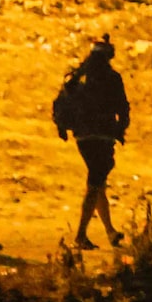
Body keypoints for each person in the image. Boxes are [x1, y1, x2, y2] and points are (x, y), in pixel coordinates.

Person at [51, 38, 130, 250]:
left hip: (82, 137)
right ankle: (80, 235)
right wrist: (121, 130)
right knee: (94, 184)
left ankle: (110, 232)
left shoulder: (76, 78)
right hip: (103, 136)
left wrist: (62, 128)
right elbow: (123, 107)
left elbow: (59, 103)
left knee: (98, 184)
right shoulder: (112, 78)